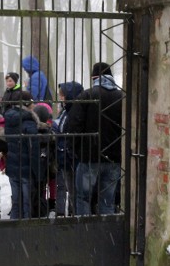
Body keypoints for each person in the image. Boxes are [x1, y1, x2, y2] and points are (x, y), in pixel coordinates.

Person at [65, 62, 124, 216]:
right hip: (114, 157)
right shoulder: (122, 97)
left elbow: (74, 125)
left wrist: (76, 149)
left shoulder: (87, 95)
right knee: (108, 200)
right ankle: (106, 234)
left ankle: (84, 233)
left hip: (89, 156)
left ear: (94, 77)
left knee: (83, 198)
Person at [4, 91, 40, 219]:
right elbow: (33, 149)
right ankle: (27, 228)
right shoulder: (28, 121)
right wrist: (38, 172)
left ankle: (14, 225)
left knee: (16, 201)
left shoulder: (9, 118)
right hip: (26, 168)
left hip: (13, 166)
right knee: (27, 202)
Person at [53, 81, 83, 217]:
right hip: (65, 157)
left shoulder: (74, 112)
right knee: (71, 191)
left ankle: (75, 216)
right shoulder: (65, 111)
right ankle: (73, 214)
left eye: (62, 95)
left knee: (75, 192)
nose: (60, 98)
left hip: (71, 158)